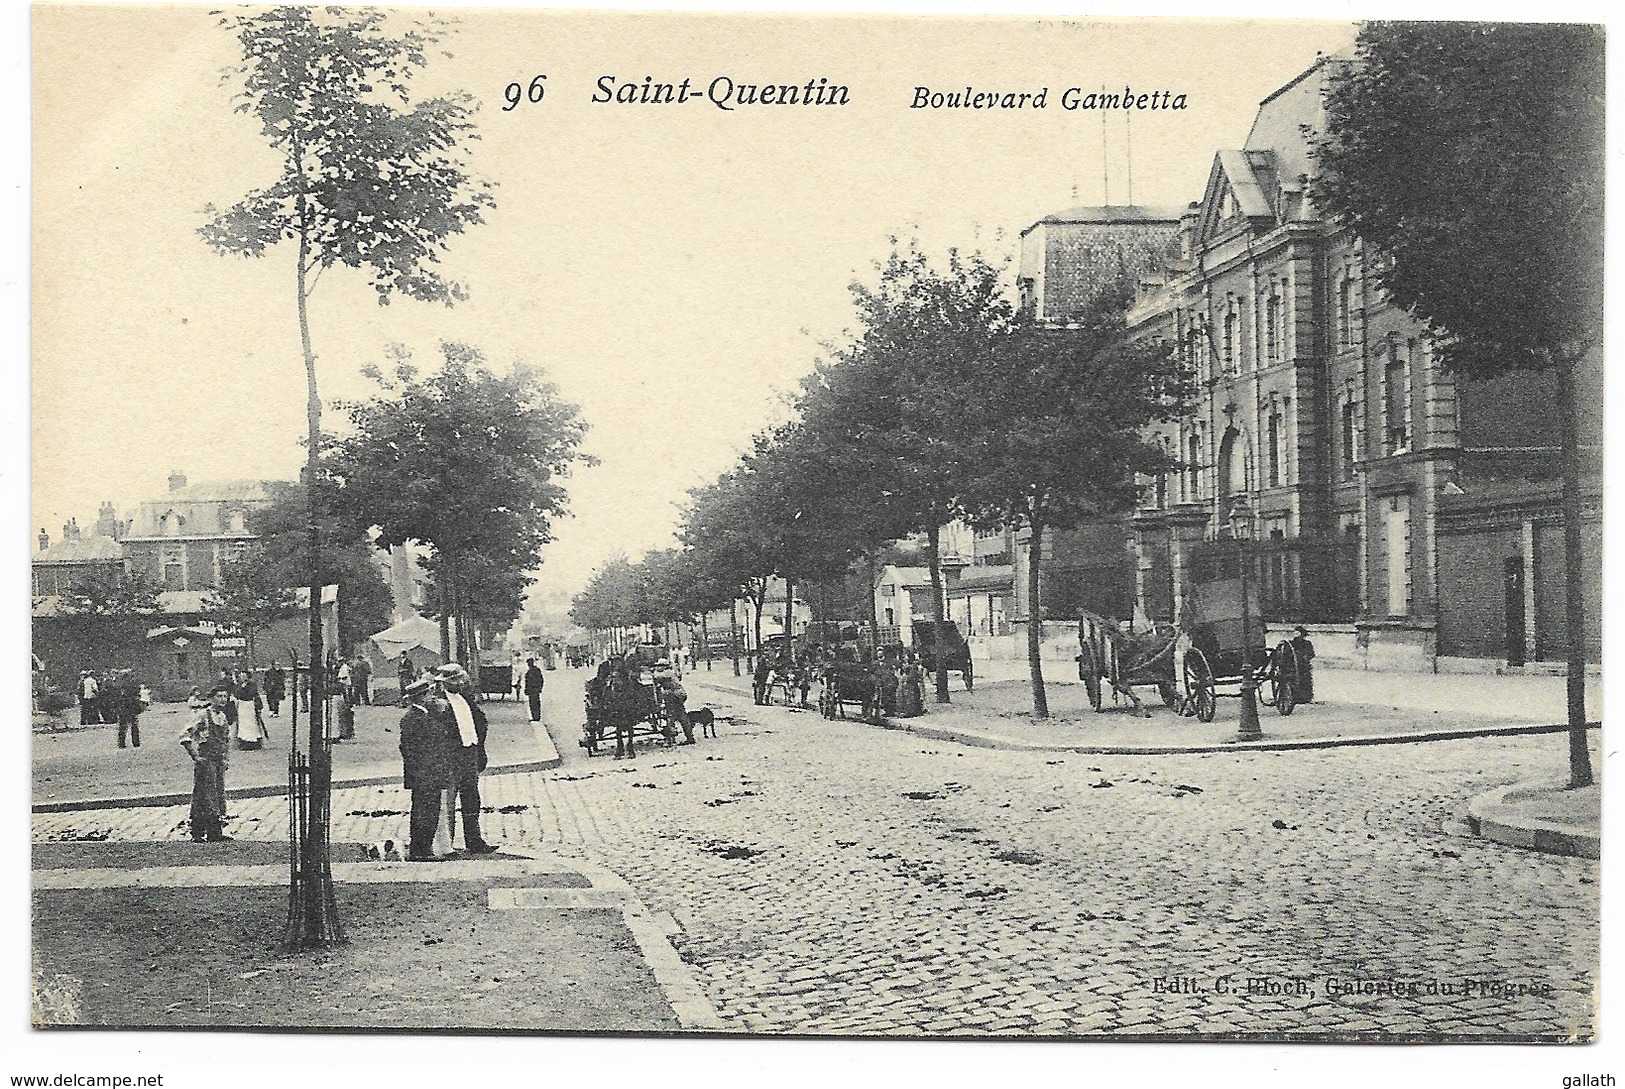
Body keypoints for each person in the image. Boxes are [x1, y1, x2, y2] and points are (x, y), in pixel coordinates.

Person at [431, 664, 498, 854]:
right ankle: (447, 844)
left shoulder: (466, 700)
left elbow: (479, 724)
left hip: (470, 753)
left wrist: (480, 751)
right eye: (454, 681)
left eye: (460, 681)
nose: (459, 684)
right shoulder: (439, 703)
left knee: (472, 798)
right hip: (451, 757)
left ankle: (474, 840)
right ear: (444, 683)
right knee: (449, 801)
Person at [398, 675, 451, 861]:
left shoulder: (425, 715)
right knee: (424, 812)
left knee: (429, 811)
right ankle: (420, 850)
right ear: (422, 696)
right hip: (424, 775)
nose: (433, 696)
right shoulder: (413, 718)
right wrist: (422, 771)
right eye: (429, 693)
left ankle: (423, 848)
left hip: (430, 774)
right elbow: (408, 748)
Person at [181, 683, 233, 842]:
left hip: (218, 761)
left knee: (217, 794)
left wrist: (225, 759)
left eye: (225, 696)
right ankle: (197, 832)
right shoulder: (203, 715)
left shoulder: (223, 717)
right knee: (203, 795)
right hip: (206, 761)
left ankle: (215, 832)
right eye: (219, 696)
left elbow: (225, 740)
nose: (223, 700)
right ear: (211, 698)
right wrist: (195, 756)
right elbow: (185, 735)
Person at [232, 669, 267, 749]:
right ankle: (243, 742)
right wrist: (242, 688)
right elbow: (236, 694)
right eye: (241, 676)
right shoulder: (239, 685)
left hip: (250, 705)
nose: (242, 677)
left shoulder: (252, 685)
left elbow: (251, 694)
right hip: (242, 707)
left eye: (244, 676)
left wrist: (244, 691)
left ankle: (253, 742)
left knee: (251, 724)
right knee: (243, 725)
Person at [112, 670, 143, 749]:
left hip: (122, 707)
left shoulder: (118, 684)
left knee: (122, 726)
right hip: (131, 706)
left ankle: (121, 743)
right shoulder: (132, 684)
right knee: (134, 725)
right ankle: (136, 742)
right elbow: (137, 693)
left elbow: (115, 697)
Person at [1290, 626, 1317, 705]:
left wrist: (1305, 657)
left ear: (1302, 634)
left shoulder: (1307, 643)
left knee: (1305, 680)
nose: (1295, 634)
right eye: (1295, 632)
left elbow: (1311, 653)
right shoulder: (1291, 644)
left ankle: (1306, 697)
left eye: (1297, 632)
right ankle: (1294, 697)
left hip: (1303, 665)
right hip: (1292, 665)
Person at [523, 657, 545, 723]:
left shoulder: (530, 671)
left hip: (532, 690)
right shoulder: (536, 670)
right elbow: (541, 680)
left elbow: (528, 682)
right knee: (536, 703)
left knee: (533, 704)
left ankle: (535, 716)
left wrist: (527, 689)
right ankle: (536, 716)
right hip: (535, 690)